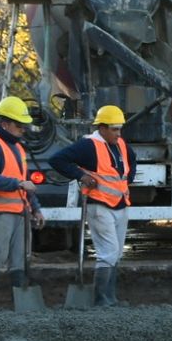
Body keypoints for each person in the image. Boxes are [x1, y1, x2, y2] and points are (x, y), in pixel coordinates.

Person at [47, 105, 137, 306]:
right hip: (99, 205)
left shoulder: (120, 144)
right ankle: (101, 299)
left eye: (119, 129)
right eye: (114, 129)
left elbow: (132, 160)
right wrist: (81, 175)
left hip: (120, 204)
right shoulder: (88, 146)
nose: (118, 133)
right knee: (109, 252)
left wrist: (126, 181)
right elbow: (57, 160)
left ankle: (110, 297)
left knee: (117, 253)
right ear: (102, 128)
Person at [0, 96, 45, 309]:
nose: (23, 129)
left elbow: (25, 182)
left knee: (19, 259)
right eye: (19, 125)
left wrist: (36, 209)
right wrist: (20, 184)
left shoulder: (17, 148)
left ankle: (20, 303)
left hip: (19, 212)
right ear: (5, 124)